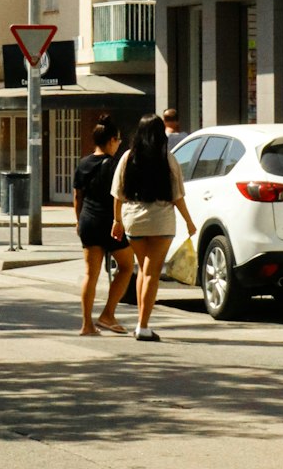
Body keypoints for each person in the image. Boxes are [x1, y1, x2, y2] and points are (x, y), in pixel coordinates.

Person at [111, 113, 196, 342]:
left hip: (134, 220)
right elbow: (177, 195)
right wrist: (189, 221)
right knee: (152, 273)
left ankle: (141, 321)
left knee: (142, 269)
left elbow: (117, 193)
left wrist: (117, 220)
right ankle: (143, 326)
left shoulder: (128, 157)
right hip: (161, 220)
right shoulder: (167, 159)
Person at [72, 114, 135, 337]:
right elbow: (120, 196)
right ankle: (108, 314)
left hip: (88, 220)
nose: (119, 144)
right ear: (110, 141)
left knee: (91, 273)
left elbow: (77, 196)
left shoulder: (83, 163)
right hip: (109, 222)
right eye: (118, 140)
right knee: (127, 267)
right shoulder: (116, 166)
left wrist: (78, 221)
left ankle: (86, 324)